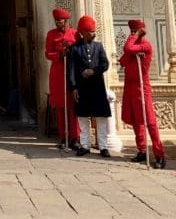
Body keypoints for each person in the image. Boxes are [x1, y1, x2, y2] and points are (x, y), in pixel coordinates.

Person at [119, 19, 166, 168]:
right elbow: (123, 60)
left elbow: (128, 49)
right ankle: (142, 150)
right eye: (131, 32)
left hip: (142, 87)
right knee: (135, 120)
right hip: (130, 87)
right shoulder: (132, 47)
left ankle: (159, 154)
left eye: (136, 31)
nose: (133, 34)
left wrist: (135, 38)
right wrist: (133, 39)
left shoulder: (146, 45)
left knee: (150, 121)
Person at [67, 15, 111, 157]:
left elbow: (105, 64)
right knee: (82, 117)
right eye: (90, 31)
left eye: (94, 31)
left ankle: (103, 146)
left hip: (97, 86)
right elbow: (71, 70)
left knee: (101, 117)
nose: (93, 34)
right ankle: (85, 145)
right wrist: (73, 87)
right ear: (83, 32)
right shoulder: (75, 49)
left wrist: (94, 70)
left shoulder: (98, 47)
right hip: (82, 88)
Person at [45, 7, 80, 149]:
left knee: (73, 106)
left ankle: (75, 137)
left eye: (60, 20)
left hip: (72, 72)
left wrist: (70, 51)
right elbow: (47, 53)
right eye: (56, 20)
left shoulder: (75, 34)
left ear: (66, 20)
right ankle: (63, 136)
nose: (58, 23)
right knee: (61, 107)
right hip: (58, 73)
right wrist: (60, 54)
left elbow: (80, 51)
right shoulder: (51, 34)